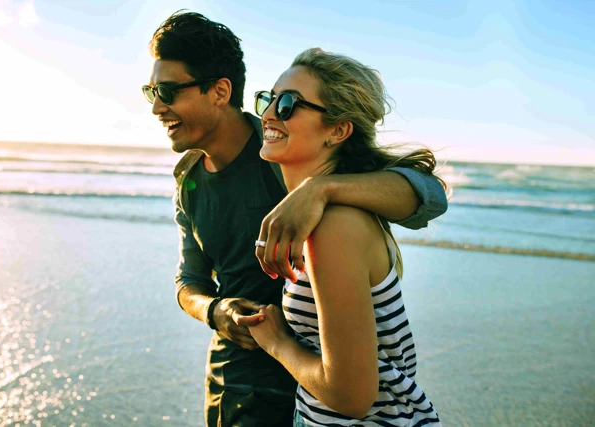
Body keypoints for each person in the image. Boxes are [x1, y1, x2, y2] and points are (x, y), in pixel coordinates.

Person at [142, 11, 447, 427]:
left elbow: (430, 197)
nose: (157, 106)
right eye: (151, 91)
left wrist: (321, 190)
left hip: (306, 391)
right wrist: (217, 311)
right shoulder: (189, 181)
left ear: (219, 91)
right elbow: (188, 281)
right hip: (237, 382)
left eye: (168, 91)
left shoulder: (288, 154)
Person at [247, 49, 443, 426]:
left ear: (338, 130)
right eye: (268, 99)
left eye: (287, 103)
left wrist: (277, 343)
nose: (269, 114)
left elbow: (351, 397)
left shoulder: (334, 226)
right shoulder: (328, 214)